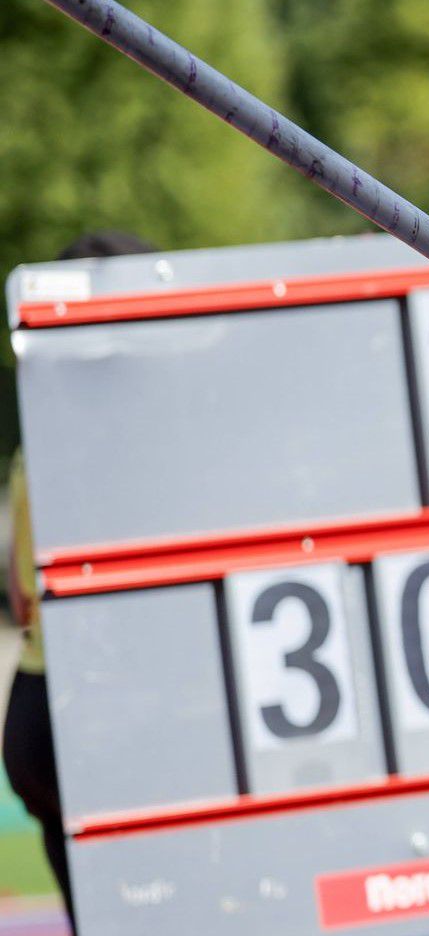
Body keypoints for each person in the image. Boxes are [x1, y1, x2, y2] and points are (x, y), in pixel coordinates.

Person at [5, 230, 157, 927]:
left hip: (35, 710)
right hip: (112, 713)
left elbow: (19, 590)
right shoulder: (144, 436)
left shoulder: (34, 443)